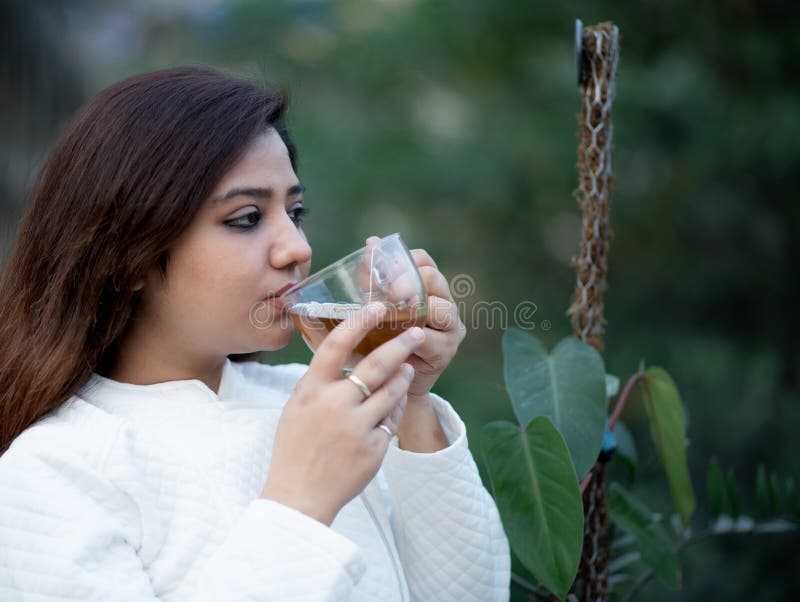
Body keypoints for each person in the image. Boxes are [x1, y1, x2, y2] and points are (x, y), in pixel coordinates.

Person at [0, 67, 510, 601]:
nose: (296, 248)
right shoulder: (55, 472)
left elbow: (472, 594)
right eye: (246, 218)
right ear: (129, 255)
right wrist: (300, 501)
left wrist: (413, 399)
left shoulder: (321, 398)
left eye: (295, 212)